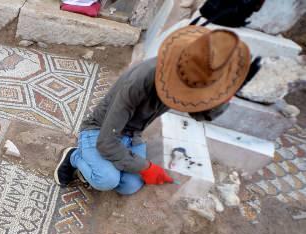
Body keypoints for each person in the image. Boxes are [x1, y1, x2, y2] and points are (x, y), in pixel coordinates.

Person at [56, 26, 252, 195]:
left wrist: (223, 98)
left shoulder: (189, 76)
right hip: (100, 131)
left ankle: (95, 165)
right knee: (106, 180)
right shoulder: (139, 82)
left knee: (129, 186)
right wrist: (146, 167)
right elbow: (106, 142)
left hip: (132, 135)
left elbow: (200, 114)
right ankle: (75, 156)